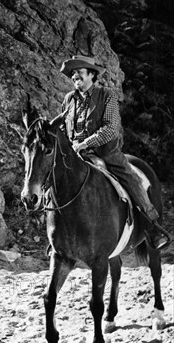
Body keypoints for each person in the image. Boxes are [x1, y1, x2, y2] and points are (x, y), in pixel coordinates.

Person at [59, 55, 170, 250]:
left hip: (106, 153)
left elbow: (111, 128)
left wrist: (85, 143)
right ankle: (57, 234)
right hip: (75, 155)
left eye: (79, 72)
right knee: (52, 179)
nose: (75, 76)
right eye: (73, 74)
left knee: (130, 178)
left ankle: (153, 227)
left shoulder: (106, 95)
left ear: (92, 75)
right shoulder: (69, 99)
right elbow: (62, 127)